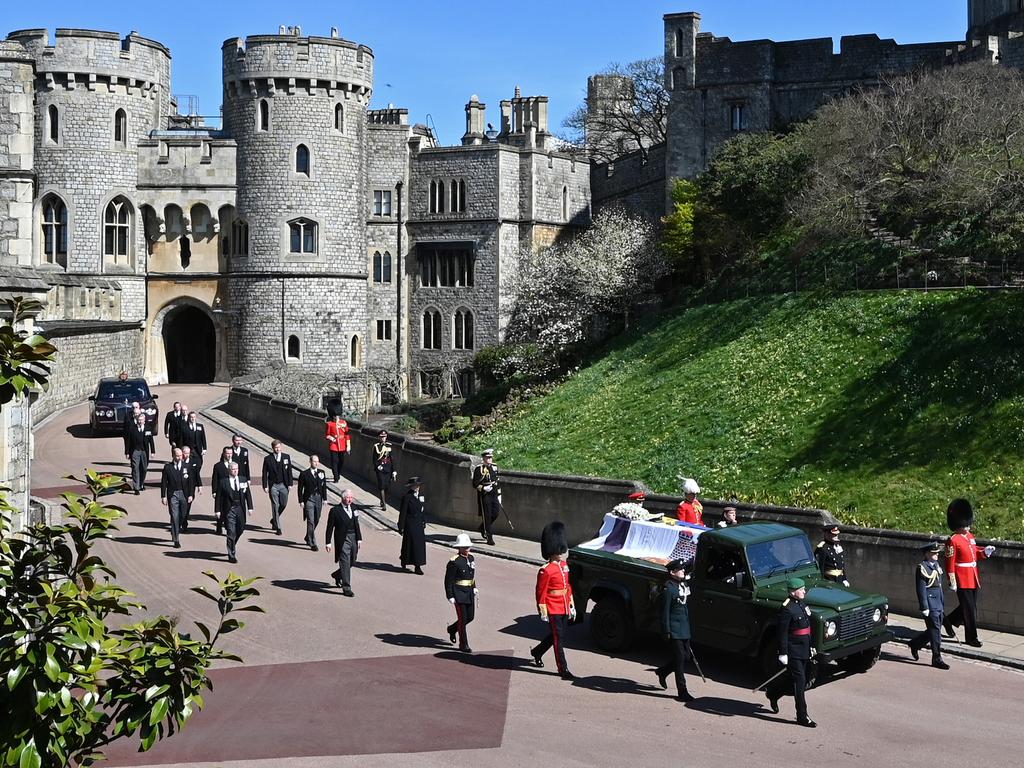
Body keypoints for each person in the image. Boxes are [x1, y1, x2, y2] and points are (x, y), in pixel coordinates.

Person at [765, 577, 816, 728]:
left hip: (804, 648)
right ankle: (802, 716)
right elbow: (782, 633)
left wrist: (811, 646)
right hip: (793, 650)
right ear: (793, 592)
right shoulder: (786, 608)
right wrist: (783, 653)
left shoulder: (801, 603)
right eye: (801, 589)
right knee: (800, 682)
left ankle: (773, 693)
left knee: (796, 679)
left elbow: (807, 627)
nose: (804, 591)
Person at [944, 498, 995, 648]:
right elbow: (950, 562)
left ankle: (947, 621)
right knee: (970, 609)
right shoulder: (953, 540)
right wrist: (951, 580)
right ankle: (971, 637)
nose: (968, 526)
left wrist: (985, 552)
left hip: (973, 576)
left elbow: (974, 554)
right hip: (961, 578)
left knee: (969, 606)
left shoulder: (970, 537)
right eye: (965, 523)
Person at [530, 521, 576, 680]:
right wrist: (542, 610)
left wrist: (571, 605)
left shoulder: (564, 566)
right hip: (553, 607)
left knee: (557, 635)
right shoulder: (545, 570)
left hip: (563, 606)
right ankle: (563, 669)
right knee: (559, 639)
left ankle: (537, 651)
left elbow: (567, 586)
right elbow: (540, 592)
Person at [655, 558, 695, 702]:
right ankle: (682, 691)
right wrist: (666, 630)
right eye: (680, 569)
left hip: (684, 628)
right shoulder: (669, 589)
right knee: (679, 659)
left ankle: (663, 671)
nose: (683, 571)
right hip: (674, 629)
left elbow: (684, 609)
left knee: (686, 657)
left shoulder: (682, 586)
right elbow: (664, 612)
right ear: (672, 572)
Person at [909, 542, 950, 670]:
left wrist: (942, 602)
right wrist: (924, 606)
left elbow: (939, 586)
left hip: (938, 602)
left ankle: (915, 643)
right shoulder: (922, 568)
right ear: (927, 554)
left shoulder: (936, 565)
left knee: (934, 630)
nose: (936, 555)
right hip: (930, 604)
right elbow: (921, 589)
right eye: (933, 553)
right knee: (936, 631)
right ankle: (937, 658)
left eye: (937, 553)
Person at [445, 533, 478, 652]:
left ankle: (452, 629)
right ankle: (463, 644)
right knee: (463, 619)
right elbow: (448, 580)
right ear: (459, 548)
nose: (467, 549)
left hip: (469, 592)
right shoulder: (454, 562)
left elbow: (471, 575)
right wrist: (450, 595)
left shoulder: (471, 558)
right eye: (464, 546)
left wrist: (474, 586)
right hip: (458, 593)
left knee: (470, 617)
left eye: (468, 546)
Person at [325, 489, 361, 596]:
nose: (350, 500)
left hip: (353, 537)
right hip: (342, 539)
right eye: (348, 498)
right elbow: (330, 527)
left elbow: (356, 524)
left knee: (352, 561)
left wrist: (359, 538)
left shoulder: (354, 508)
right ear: (342, 498)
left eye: (351, 498)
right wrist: (328, 542)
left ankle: (337, 574)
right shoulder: (335, 511)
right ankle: (347, 587)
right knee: (345, 561)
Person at [216, 461, 252, 564]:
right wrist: (217, 510)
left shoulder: (242, 480)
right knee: (231, 532)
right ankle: (231, 554)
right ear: (229, 470)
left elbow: (247, 494)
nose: (235, 471)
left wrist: (250, 507)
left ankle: (232, 543)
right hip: (229, 510)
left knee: (240, 529)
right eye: (233, 469)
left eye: (236, 469)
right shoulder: (223, 482)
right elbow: (218, 497)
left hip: (240, 508)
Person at [160, 447, 195, 549]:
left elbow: (191, 482)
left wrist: (191, 494)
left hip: (184, 494)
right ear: (173, 456)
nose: (180, 457)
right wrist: (163, 496)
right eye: (177, 455)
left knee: (183, 516)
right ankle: (176, 539)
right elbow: (163, 483)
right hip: (173, 494)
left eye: (181, 455)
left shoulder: (187, 466)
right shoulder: (168, 467)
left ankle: (175, 528)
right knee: (174, 516)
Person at [261, 440, 293, 535]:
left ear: (281, 446)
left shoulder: (286, 457)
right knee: (275, 505)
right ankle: (278, 528)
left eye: (279, 447)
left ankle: (274, 519)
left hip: (284, 485)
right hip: (273, 485)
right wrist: (265, 485)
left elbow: (289, 472)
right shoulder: (268, 459)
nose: (277, 449)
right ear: (272, 448)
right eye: (276, 447)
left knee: (283, 504)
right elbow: (264, 473)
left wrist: (290, 484)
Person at [398, 477, 428, 574]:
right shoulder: (407, 497)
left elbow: (422, 510)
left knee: (419, 546)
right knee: (410, 544)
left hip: (419, 524)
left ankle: (418, 566)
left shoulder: (421, 496)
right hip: (410, 524)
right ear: (411, 487)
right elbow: (403, 512)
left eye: (418, 485)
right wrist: (401, 526)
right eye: (415, 485)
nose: (417, 487)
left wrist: (424, 521)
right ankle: (404, 561)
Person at [298, 454, 328, 551]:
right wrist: (301, 501)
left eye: (317, 461)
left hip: (318, 498)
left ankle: (308, 535)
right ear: (310, 462)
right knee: (310, 521)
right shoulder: (304, 474)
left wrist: (325, 498)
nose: (316, 463)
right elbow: (300, 489)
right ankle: (313, 543)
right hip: (309, 499)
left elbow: (324, 486)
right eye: (314, 461)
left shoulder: (321, 472)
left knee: (317, 518)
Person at [472, 449, 501, 545]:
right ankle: (489, 537)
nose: (490, 459)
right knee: (487, 515)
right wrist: (484, 488)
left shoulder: (495, 467)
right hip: (485, 495)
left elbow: (497, 481)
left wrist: (499, 494)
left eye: (491, 457)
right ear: (484, 458)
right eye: (488, 458)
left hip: (493, 493)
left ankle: (482, 527)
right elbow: (475, 484)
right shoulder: (479, 469)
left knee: (496, 512)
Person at [123, 412, 155, 494]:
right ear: (137, 420)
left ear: (144, 421)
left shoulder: (148, 428)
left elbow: (151, 441)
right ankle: (136, 487)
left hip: (144, 451)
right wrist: (127, 452)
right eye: (139, 420)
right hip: (135, 451)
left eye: (142, 420)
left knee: (144, 468)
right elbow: (128, 441)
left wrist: (153, 451)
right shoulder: (132, 429)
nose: (140, 422)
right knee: (135, 468)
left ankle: (141, 484)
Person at [371, 429, 397, 511]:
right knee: (381, 485)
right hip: (380, 468)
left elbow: (392, 459)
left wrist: (394, 470)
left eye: (384, 437)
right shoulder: (376, 446)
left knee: (387, 487)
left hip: (388, 468)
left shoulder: (389, 446)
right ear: (379, 437)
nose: (383, 438)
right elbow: (374, 459)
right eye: (382, 437)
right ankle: (384, 503)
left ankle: (383, 499)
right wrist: (378, 466)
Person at [180, 445, 203, 530]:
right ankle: (180, 520)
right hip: (180, 487)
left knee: (188, 505)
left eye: (188, 453)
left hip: (190, 488)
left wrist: (199, 486)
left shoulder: (194, 462)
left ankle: (184, 520)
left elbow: (197, 474)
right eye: (185, 453)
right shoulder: (179, 462)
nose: (186, 455)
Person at [325, 414, 350, 483]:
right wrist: (332, 438)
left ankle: (338, 473)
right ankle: (336, 476)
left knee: (341, 461)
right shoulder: (330, 424)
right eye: (334, 416)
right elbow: (327, 435)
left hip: (342, 445)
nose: (336, 417)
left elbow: (347, 434)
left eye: (337, 416)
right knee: (334, 461)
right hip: (334, 445)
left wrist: (348, 445)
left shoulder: (343, 423)